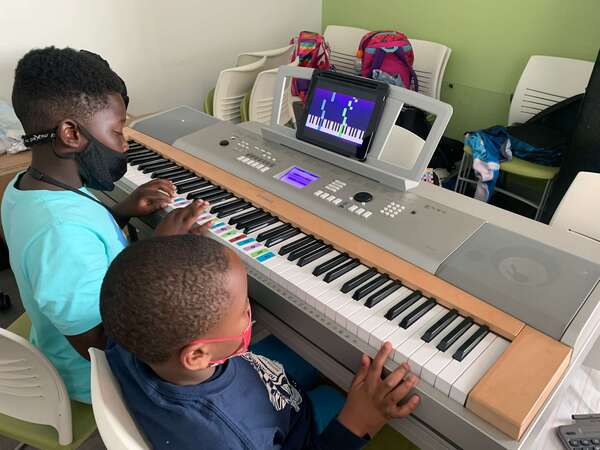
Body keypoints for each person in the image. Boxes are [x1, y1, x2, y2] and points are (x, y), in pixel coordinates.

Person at [1, 46, 209, 403]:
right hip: (97, 379)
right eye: (117, 132)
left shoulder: (28, 184)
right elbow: (101, 345)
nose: (123, 144)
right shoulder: (59, 231)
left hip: (57, 340)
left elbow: (81, 252)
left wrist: (122, 212)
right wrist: (158, 252)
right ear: (71, 133)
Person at [101, 235, 421, 450]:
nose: (250, 308)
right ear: (198, 354)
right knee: (355, 396)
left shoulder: (130, 336)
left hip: (258, 385)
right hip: (301, 434)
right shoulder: (234, 438)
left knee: (322, 353)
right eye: (243, 310)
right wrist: (358, 421)